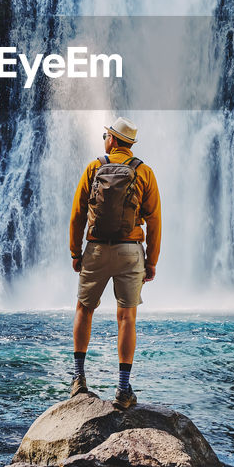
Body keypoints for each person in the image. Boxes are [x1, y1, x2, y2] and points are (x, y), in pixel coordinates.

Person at [68, 116, 161, 409]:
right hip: (130, 251)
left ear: (112, 139)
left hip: (95, 250)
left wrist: (75, 252)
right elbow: (155, 220)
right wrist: (152, 261)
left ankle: (79, 379)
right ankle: (122, 389)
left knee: (84, 309)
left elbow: (77, 215)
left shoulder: (94, 168)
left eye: (105, 136)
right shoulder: (144, 172)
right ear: (129, 145)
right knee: (126, 317)